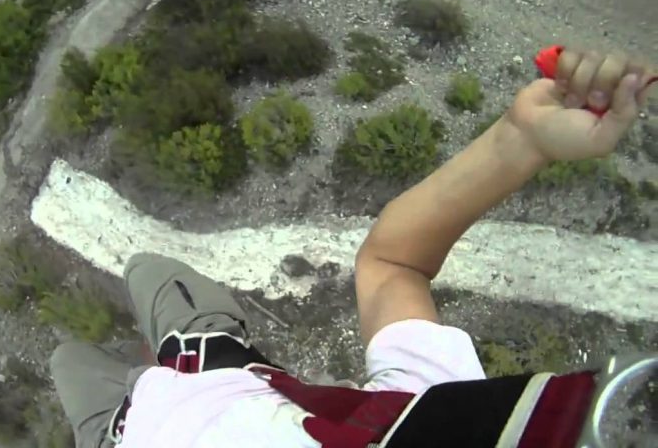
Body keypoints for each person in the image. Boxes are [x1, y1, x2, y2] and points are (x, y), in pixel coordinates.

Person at [49, 48, 655, 448]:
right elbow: (393, 266)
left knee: (69, 358)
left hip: (131, 428)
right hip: (215, 368)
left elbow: (393, 267)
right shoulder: (418, 425)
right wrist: (521, 138)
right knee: (135, 281)